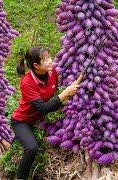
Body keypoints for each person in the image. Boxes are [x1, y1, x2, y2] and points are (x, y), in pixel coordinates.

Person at [10, 46, 79, 180]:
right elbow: (42, 108)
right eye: (45, 59)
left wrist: (65, 96)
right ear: (36, 65)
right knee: (31, 148)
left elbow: (56, 91)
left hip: (40, 118)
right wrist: (64, 95)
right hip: (23, 121)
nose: (50, 61)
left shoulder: (52, 71)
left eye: (49, 57)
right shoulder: (27, 82)